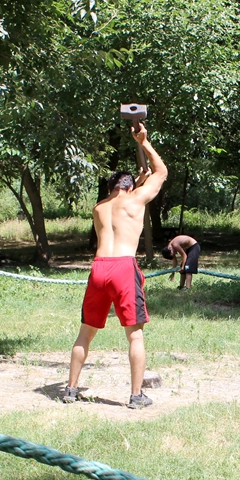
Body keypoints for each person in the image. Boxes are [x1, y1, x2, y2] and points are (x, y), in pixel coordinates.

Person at [64, 122, 168, 409]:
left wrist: (136, 178)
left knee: (85, 332)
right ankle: (136, 396)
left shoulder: (99, 207)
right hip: (123, 267)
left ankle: (70, 390)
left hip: (99, 267)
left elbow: (119, 194)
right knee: (134, 335)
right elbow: (161, 172)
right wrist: (144, 142)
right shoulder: (135, 200)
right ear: (132, 187)